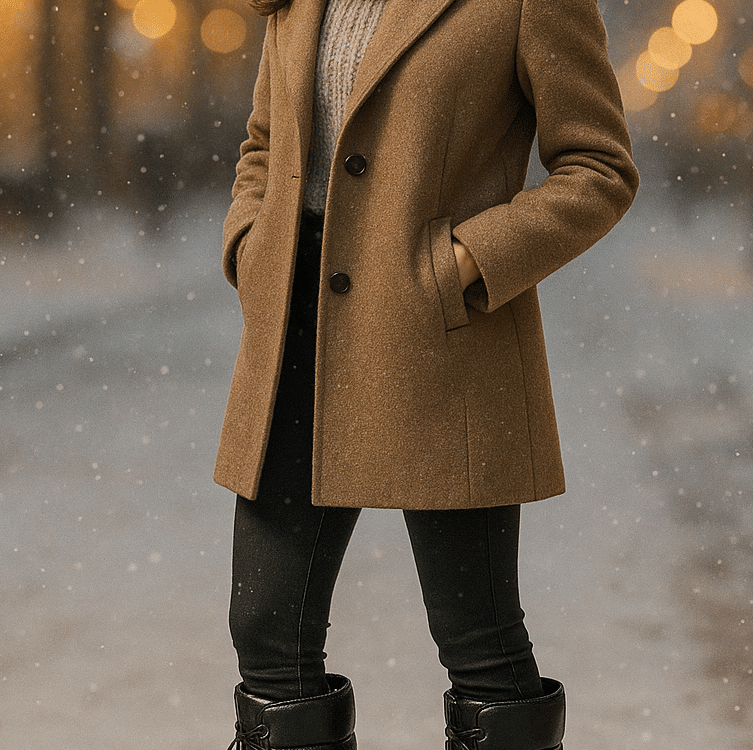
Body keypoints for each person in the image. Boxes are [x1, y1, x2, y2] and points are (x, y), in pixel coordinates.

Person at [214, 0, 638, 747]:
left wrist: (466, 263)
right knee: (266, 627)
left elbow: (599, 168)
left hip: (440, 334)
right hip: (293, 334)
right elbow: (264, 144)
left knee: (477, 634)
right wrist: (252, 244)